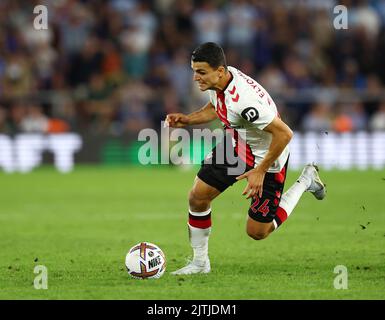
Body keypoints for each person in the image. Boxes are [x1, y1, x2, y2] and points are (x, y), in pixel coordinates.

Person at [165, 42, 326, 275]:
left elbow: (284, 133)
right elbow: (216, 107)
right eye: (194, 71)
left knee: (257, 232)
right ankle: (200, 263)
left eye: (200, 72)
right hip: (237, 147)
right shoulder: (217, 82)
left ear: (219, 71)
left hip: (268, 159)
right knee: (198, 198)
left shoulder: (246, 100)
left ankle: (306, 180)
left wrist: (260, 170)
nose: (195, 78)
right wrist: (188, 120)